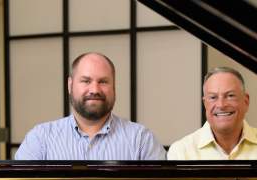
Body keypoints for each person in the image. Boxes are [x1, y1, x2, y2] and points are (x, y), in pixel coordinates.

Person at [15, 52, 166, 160]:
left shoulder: (141, 140)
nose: (94, 90)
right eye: (86, 81)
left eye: (103, 81)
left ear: (114, 86)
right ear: (70, 85)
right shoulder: (40, 139)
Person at [167, 67, 257, 163]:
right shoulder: (180, 152)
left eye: (230, 96)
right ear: (205, 104)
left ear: (246, 101)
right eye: (213, 97)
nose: (221, 104)